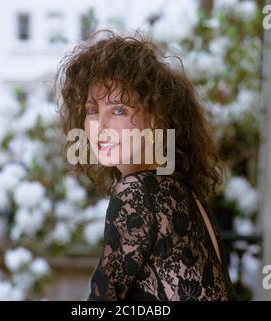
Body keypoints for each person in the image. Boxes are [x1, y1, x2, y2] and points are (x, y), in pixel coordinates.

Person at [57, 29, 239, 300]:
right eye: (93, 110)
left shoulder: (138, 192)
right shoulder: (181, 193)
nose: (101, 126)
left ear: (156, 119)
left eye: (119, 110)